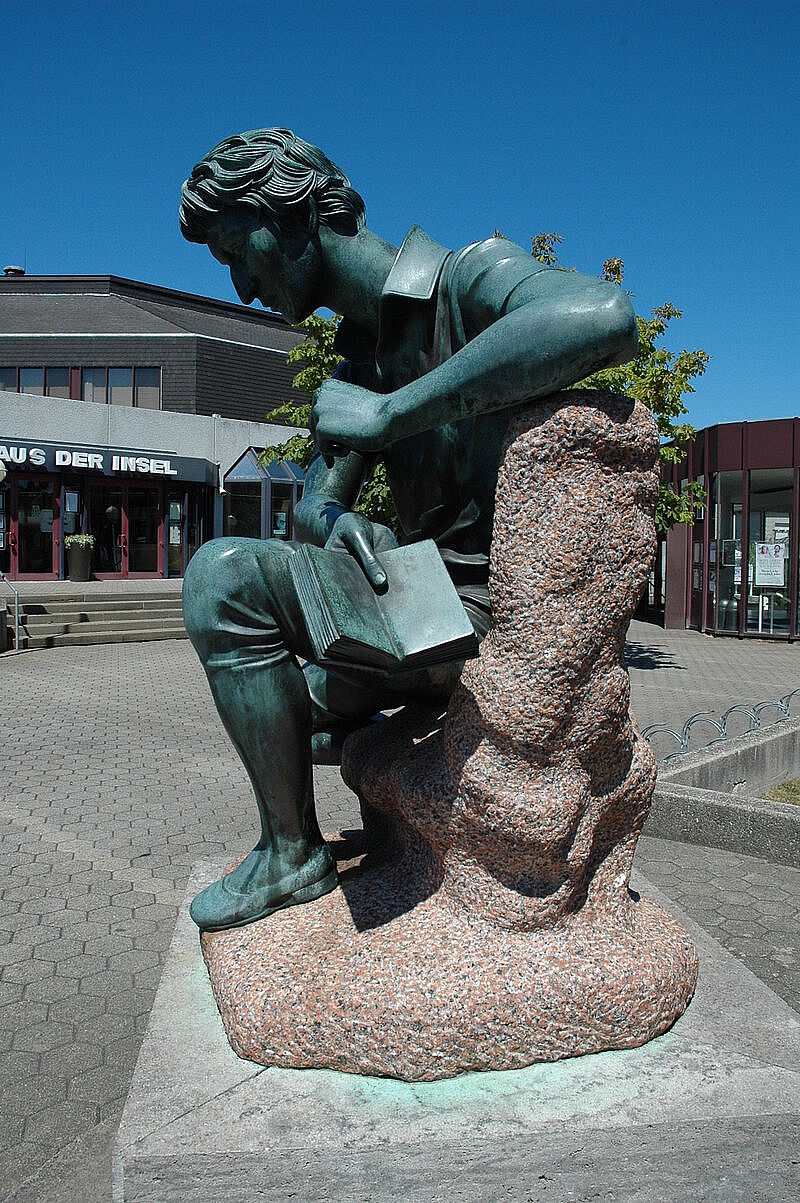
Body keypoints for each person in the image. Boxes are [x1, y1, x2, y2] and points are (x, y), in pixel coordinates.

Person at [179, 127, 638, 931]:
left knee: (219, 580)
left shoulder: (467, 277)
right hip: (415, 608)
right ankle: (305, 826)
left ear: (287, 214)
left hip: (497, 625)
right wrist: (342, 517)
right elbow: (315, 505)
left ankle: (292, 853)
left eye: (233, 253)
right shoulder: (354, 366)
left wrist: (394, 413)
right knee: (300, 700)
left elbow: (602, 316)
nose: (243, 288)